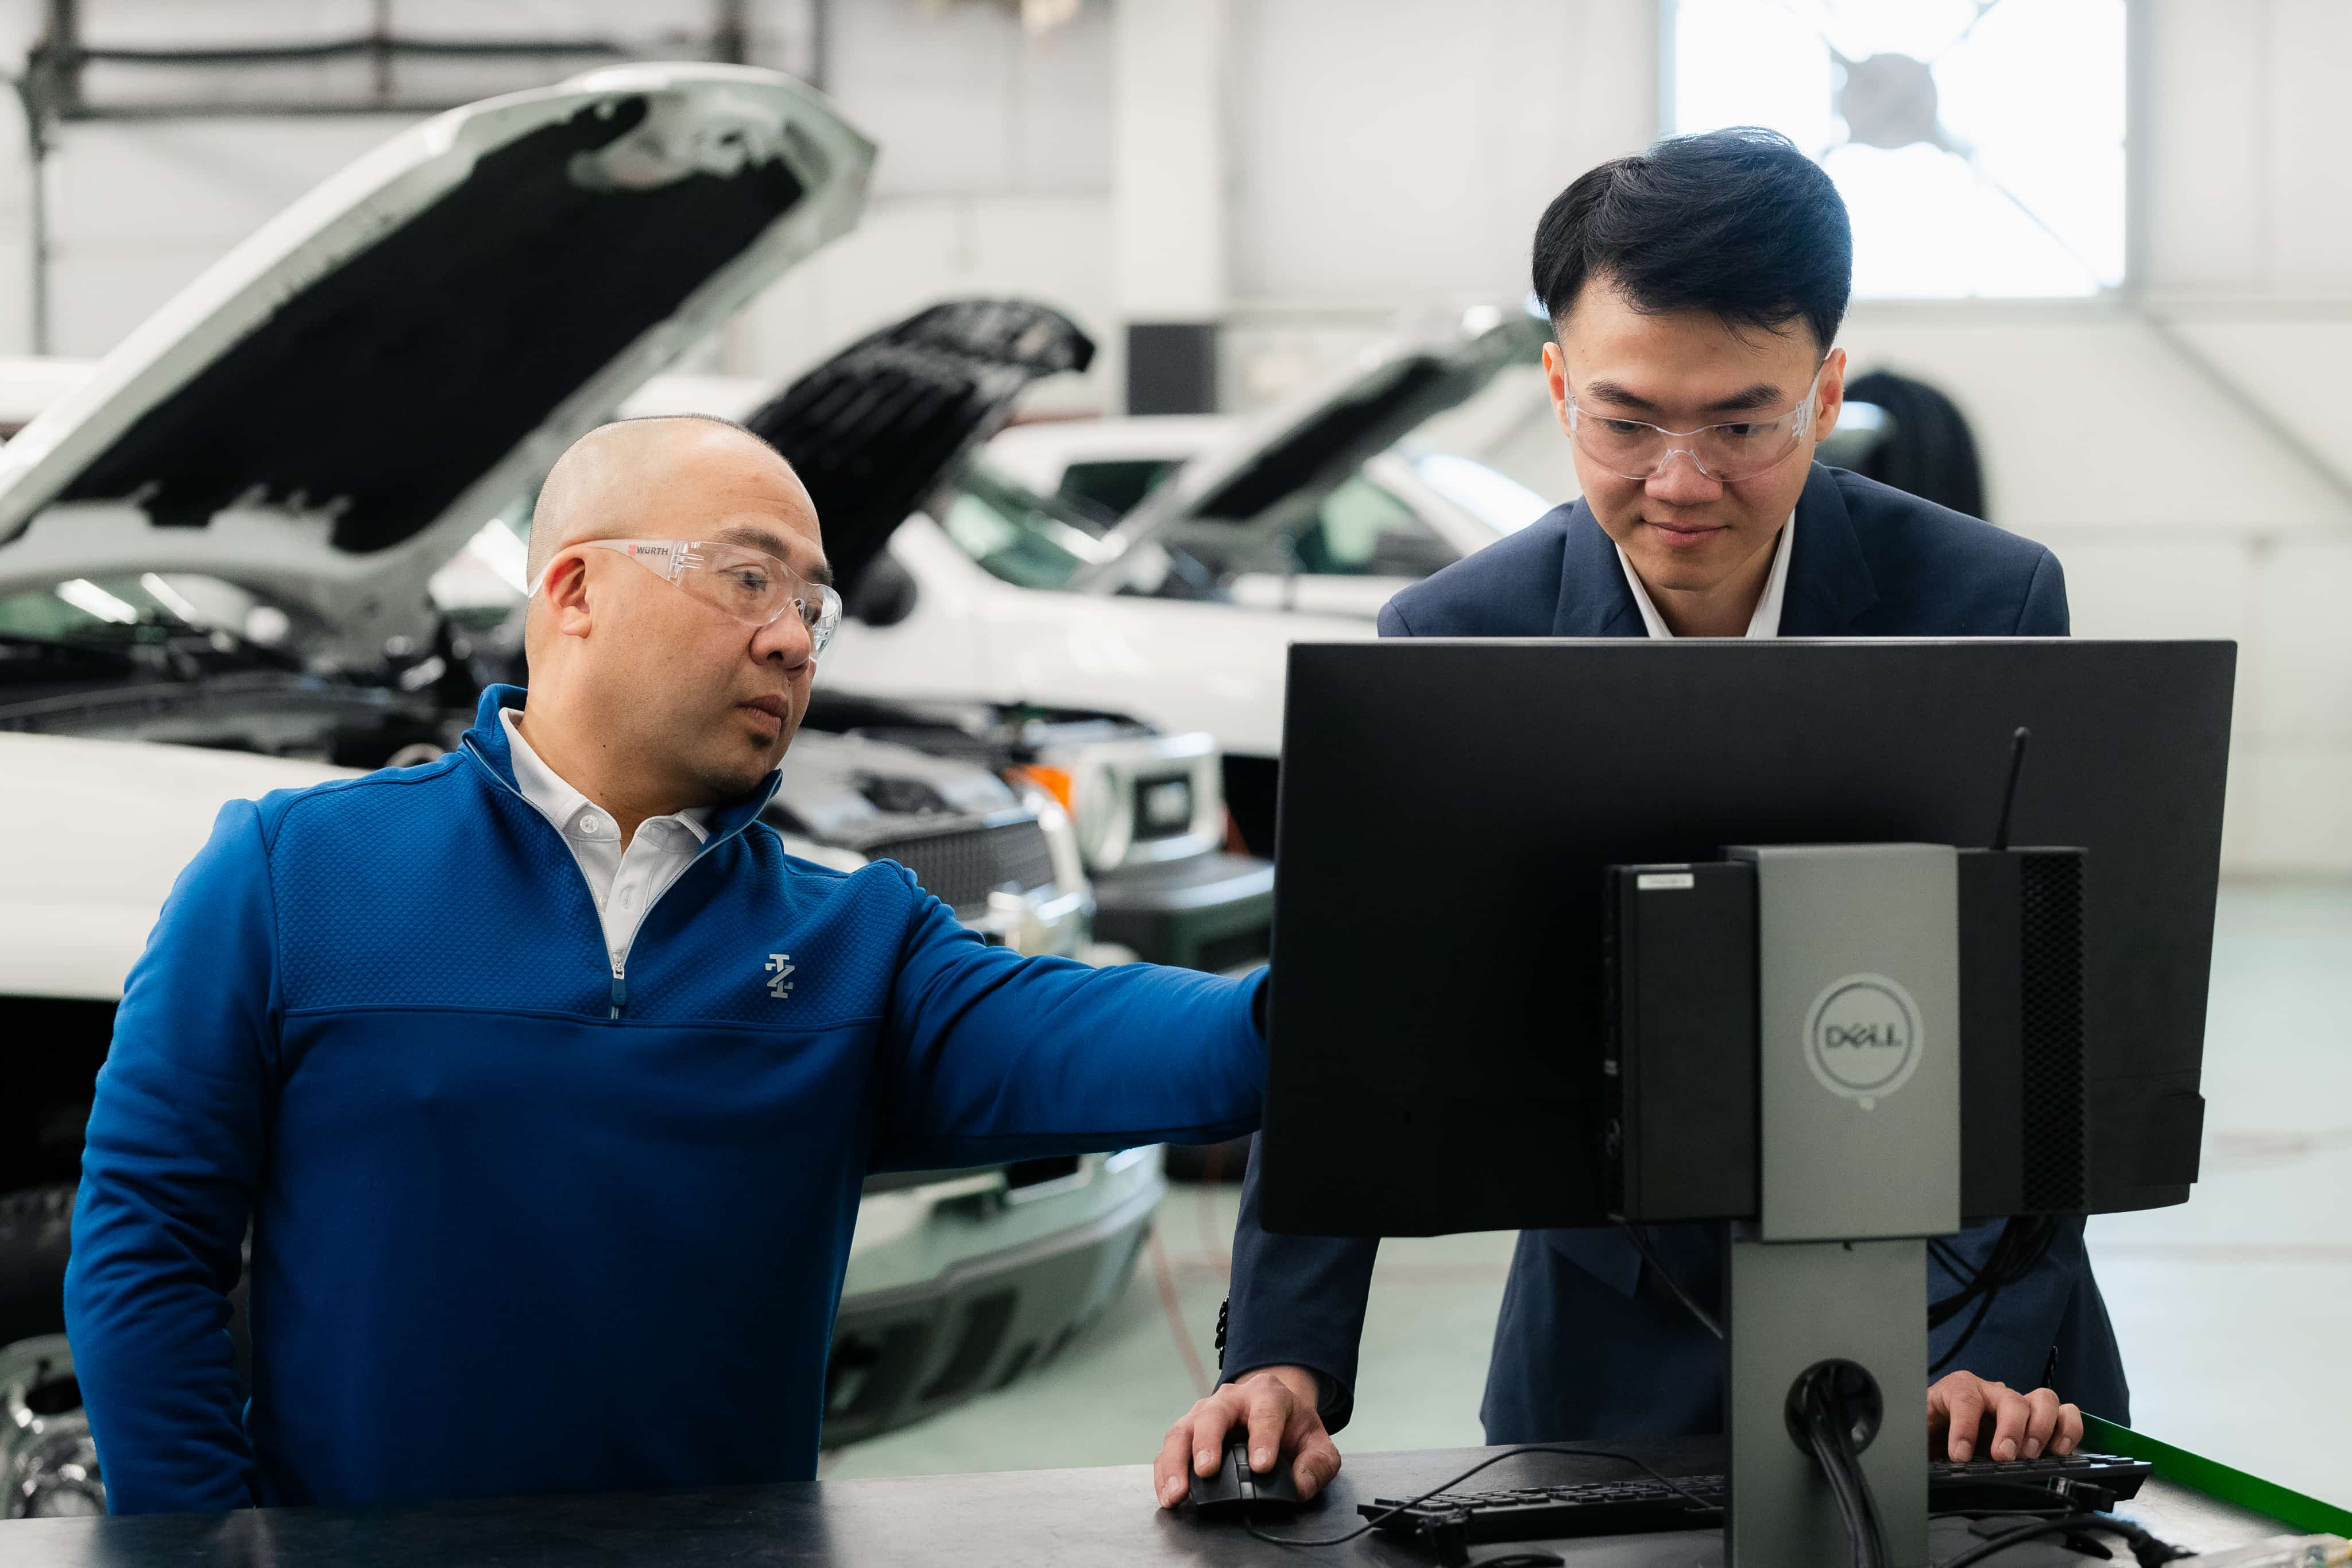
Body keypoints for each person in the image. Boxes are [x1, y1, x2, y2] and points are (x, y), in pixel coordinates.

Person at [1154, 127, 2116, 1511]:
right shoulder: (1448, 642)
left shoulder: (1984, 600)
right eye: (1625, 423)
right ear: (1556, 388)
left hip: (1963, 1360)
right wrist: (1286, 1359)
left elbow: (2041, 1014)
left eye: (1741, 423)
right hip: (1609, 1365)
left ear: (1825, 390)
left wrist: (1983, 1351)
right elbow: (1353, 1019)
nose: (1679, 480)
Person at [65, 416, 1271, 1515]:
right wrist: (202, 1548)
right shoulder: (290, 876)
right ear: (577, 590)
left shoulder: (859, 940)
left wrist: (1367, 981)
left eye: (813, 606)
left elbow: (1186, 1049)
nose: (792, 638)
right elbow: (145, 1237)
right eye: (749, 579)